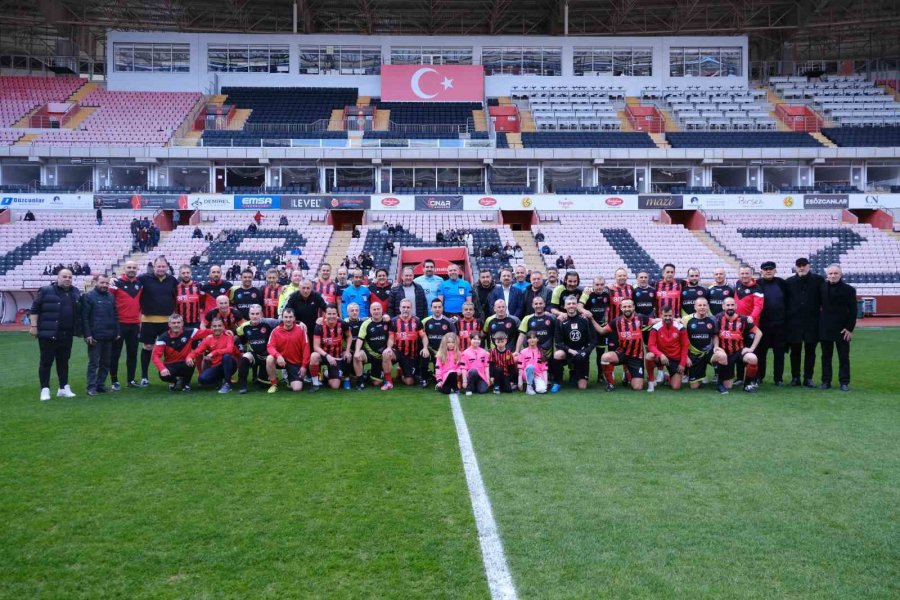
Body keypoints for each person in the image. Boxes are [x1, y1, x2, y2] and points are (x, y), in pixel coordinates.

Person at [30, 269, 81, 401]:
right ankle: (45, 389)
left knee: (63, 362)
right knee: (46, 362)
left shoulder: (75, 292)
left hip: (67, 334)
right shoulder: (46, 290)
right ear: (58, 278)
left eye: (70, 277)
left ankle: (63, 388)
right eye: (64, 276)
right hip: (48, 333)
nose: (67, 279)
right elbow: (34, 309)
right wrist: (33, 326)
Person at [137, 257, 178, 386]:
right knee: (148, 347)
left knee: (169, 349)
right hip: (149, 320)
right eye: (158, 266)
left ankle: (171, 376)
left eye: (163, 266)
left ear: (167, 267)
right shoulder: (144, 279)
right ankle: (144, 376)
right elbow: (130, 281)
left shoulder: (172, 280)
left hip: (167, 321)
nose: (161, 268)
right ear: (154, 267)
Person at [598, 299, 652, 392]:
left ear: (633, 307)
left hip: (636, 357)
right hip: (622, 353)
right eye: (624, 307)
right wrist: (590, 319)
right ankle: (610, 384)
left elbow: (655, 321)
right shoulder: (616, 321)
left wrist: (674, 319)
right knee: (605, 357)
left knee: (637, 387)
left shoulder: (641, 318)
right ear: (621, 308)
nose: (627, 309)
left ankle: (627, 373)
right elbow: (602, 331)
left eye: (629, 306)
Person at [785, 258, 823, 387]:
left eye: (804, 265)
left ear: (808, 266)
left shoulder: (818, 280)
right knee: (794, 351)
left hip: (812, 322)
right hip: (794, 323)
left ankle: (808, 378)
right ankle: (795, 378)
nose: (801, 268)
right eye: (799, 266)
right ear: (795, 267)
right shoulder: (789, 282)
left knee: (810, 351)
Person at [712, 297, 762, 394]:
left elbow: (759, 333)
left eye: (732, 305)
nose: (730, 307)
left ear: (736, 306)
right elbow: (715, 334)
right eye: (727, 305)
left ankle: (747, 385)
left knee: (753, 358)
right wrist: (716, 346)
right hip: (725, 353)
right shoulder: (717, 318)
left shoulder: (743, 319)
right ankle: (720, 384)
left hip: (739, 351)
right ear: (723, 306)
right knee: (728, 386)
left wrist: (751, 348)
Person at [819, 264, 856, 391]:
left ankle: (844, 382)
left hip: (842, 329)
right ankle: (825, 381)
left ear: (841, 275)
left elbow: (853, 311)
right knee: (826, 357)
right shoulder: (822, 288)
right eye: (830, 274)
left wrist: (849, 328)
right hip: (825, 328)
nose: (833, 276)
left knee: (844, 357)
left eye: (836, 273)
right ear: (827, 275)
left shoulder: (849, 290)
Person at [151, 314, 211, 392]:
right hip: (170, 364)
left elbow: (207, 332)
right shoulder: (163, 338)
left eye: (178, 322)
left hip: (185, 362)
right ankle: (174, 381)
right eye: (174, 323)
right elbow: (155, 356)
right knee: (164, 376)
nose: (176, 325)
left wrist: (225, 331)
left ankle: (185, 384)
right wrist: (162, 369)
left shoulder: (190, 332)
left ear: (182, 323)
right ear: (169, 324)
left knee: (191, 361)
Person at [82, 275, 119, 396]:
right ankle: (91, 387)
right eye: (102, 283)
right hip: (95, 336)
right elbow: (85, 317)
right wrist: (87, 334)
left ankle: (100, 385)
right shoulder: (88, 296)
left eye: (107, 283)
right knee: (93, 363)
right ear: (95, 283)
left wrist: (117, 331)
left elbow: (115, 315)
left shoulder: (111, 297)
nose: (104, 285)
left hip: (109, 335)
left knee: (106, 363)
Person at [109, 260, 143, 390]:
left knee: (132, 353)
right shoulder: (115, 284)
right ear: (124, 268)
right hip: (119, 324)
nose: (131, 269)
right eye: (129, 267)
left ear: (137, 269)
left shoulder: (140, 284)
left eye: (134, 267)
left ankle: (131, 380)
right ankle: (114, 380)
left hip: (134, 325)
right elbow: (109, 302)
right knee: (115, 353)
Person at [383, 298, 428, 390]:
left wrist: (425, 348)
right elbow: (391, 337)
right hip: (397, 351)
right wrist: (388, 347)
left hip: (410, 355)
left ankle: (401, 373)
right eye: (403, 307)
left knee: (409, 382)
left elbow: (423, 336)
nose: (405, 309)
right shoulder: (394, 321)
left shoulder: (417, 321)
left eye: (408, 307)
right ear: (400, 308)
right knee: (386, 353)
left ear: (411, 308)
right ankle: (388, 381)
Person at [554, 296, 598, 390]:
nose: (571, 306)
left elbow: (594, 340)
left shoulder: (585, 319)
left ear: (577, 305)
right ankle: (558, 381)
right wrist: (571, 351)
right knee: (557, 354)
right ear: (564, 306)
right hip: (568, 352)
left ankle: (575, 374)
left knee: (582, 387)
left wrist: (586, 351)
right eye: (569, 304)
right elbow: (558, 343)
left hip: (582, 354)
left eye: (573, 303)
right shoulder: (560, 320)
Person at [235, 305, 279, 394]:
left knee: (263, 384)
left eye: (257, 313)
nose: (255, 316)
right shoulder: (244, 326)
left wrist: (298, 322)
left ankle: (269, 378)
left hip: (267, 356)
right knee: (245, 358)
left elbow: (284, 323)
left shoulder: (269, 324)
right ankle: (243, 386)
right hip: (254, 355)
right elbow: (238, 338)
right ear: (249, 315)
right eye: (252, 314)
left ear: (261, 314)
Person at [188, 317, 239, 393]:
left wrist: (213, 352)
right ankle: (219, 380)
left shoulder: (229, 336)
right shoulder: (208, 339)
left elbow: (229, 350)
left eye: (219, 325)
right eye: (214, 326)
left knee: (226, 356)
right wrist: (189, 357)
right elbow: (197, 351)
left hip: (230, 364)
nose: (217, 328)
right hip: (217, 366)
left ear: (223, 327)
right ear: (211, 327)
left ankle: (228, 384)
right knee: (202, 379)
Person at [756, 261, 787, 386]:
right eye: (765, 269)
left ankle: (778, 379)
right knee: (761, 353)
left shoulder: (782, 283)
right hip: (763, 325)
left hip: (780, 325)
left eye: (771, 269)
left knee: (779, 353)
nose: (768, 271)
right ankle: (759, 376)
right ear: (761, 271)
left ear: (775, 270)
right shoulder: (757, 284)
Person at [265, 308, 310, 393]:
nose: (288, 319)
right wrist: (278, 356)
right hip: (281, 360)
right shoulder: (276, 331)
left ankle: (289, 379)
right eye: (286, 317)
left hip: (295, 362)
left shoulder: (301, 330)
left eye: (290, 317)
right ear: (282, 318)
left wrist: (304, 366)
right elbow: (270, 347)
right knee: (270, 359)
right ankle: (274, 384)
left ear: (294, 318)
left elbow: (306, 349)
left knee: (297, 388)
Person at [645, 307, 689, 392]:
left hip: (675, 358)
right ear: (661, 315)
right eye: (665, 316)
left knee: (676, 387)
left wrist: (682, 363)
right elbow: (651, 346)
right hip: (661, 357)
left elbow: (685, 346)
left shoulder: (680, 328)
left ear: (673, 315)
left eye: (670, 315)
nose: (668, 318)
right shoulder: (655, 328)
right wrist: (660, 354)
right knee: (649, 356)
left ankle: (667, 377)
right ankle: (651, 380)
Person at [311, 305, 352, 391]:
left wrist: (347, 350)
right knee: (314, 356)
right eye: (329, 314)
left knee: (335, 386)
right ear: (325, 314)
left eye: (334, 313)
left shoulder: (343, 324)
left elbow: (349, 336)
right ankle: (315, 383)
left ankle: (325, 373)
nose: (332, 316)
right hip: (324, 355)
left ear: (337, 314)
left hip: (336, 356)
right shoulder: (319, 326)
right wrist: (327, 356)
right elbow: (316, 346)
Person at [579, 276, 611, 383]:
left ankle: (600, 376)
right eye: (597, 284)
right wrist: (585, 311)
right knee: (586, 352)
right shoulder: (587, 294)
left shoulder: (607, 295)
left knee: (600, 353)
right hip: (589, 328)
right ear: (593, 285)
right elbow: (579, 307)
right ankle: (583, 376)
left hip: (601, 328)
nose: (599, 287)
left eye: (602, 284)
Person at [354, 302, 392, 390]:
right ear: (370, 311)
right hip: (370, 353)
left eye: (378, 309)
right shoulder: (366, 324)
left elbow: (391, 336)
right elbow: (360, 339)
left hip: (382, 356)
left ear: (382, 310)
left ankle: (370, 374)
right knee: (357, 356)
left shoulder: (387, 321)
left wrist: (389, 348)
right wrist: (356, 351)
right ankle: (360, 381)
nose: (376, 311)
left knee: (376, 383)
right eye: (374, 309)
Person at [683, 297, 719, 389]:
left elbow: (715, 335)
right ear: (695, 307)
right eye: (699, 305)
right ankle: (701, 375)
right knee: (694, 387)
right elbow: (682, 340)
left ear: (708, 307)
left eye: (704, 305)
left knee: (721, 356)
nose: (702, 307)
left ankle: (721, 378)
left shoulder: (712, 319)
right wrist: (685, 357)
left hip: (708, 352)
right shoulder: (686, 319)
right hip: (694, 355)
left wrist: (716, 347)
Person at [420, 299, 457, 386]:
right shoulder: (425, 321)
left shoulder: (448, 322)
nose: (437, 309)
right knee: (423, 354)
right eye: (435, 307)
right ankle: (424, 378)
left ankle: (438, 375)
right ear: (431, 309)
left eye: (439, 307)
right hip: (431, 350)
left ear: (442, 308)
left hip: (444, 352)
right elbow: (421, 337)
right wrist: (424, 348)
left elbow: (454, 337)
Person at [282, 279, 328, 344]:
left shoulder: (316, 296)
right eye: (303, 288)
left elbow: (327, 308)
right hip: (297, 327)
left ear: (311, 288)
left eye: (308, 288)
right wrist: (297, 322)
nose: (305, 291)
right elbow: (284, 312)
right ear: (299, 288)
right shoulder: (293, 296)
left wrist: (324, 319)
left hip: (313, 328)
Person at [518, 331, 549, 395]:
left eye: (534, 337)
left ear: (537, 339)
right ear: (527, 340)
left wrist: (545, 382)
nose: (532, 340)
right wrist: (519, 381)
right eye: (530, 338)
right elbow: (520, 368)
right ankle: (529, 387)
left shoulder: (542, 352)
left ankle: (532, 385)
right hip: (526, 374)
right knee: (530, 367)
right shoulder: (523, 352)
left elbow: (544, 369)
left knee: (542, 390)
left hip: (538, 375)